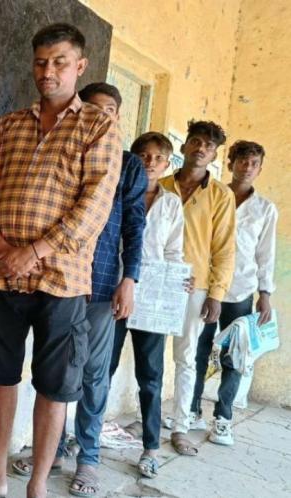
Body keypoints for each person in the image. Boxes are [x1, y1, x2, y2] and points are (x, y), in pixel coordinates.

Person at [0, 23, 121, 498]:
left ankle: (37, 484)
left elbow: (94, 206)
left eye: (59, 62)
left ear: (80, 67)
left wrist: (34, 252)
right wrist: (2, 248)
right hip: (3, 273)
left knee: (54, 385)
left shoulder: (99, 126)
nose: (48, 72)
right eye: (41, 62)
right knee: (0, 372)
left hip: (62, 279)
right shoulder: (9, 125)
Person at [11, 82, 147, 498]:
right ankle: (50, 454)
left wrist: (130, 279)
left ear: (119, 117)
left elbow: (134, 226)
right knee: (53, 374)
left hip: (102, 283)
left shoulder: (127, 165)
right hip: (58, 279)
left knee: (92, 374)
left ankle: (87, 458)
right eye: (94, 108)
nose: (102, 115)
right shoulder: (60, 150)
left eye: (110, 109)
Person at [108, 132, 186, 478]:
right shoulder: (118, 190)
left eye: (158, 158)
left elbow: (173, 252)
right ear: (132, 157)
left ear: (168, 165)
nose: (150, 163)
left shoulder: (171, 204)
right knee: (100, 369)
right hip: (113, 289)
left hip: (153, 298)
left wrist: (180, 279)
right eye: (143, 155)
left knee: (151, 376)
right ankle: (81, 438)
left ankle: (151, 447)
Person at [189, 140, 277, 446]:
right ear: (230, 164)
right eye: (242, 161)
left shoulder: (265, 209)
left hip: (241, 290)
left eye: (254, 163)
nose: (247, 168)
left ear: (259, 169)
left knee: (234, 356)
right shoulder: (214, 196)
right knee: (197, 350)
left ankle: (223, 418)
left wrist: (265, 293)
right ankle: (191, 409)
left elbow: (266, 254)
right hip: (205, 286)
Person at [160, 120, 235, 457]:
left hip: (196, 286)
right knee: (148, 354)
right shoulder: (160, 185)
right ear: (184, 146)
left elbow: (224, 247)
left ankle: (179, 426)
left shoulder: (221, 195)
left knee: (187, 357)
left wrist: (217, 293)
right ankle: (148, 416)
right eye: (196, 141)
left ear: (215, 154)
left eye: (209, 145)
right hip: (155, 282)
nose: (201, 148)